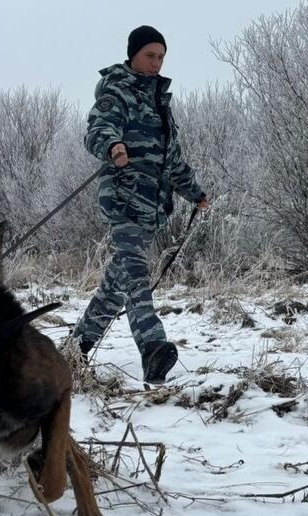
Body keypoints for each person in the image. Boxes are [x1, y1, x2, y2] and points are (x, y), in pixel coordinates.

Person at [70, 25, 210, 385]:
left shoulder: (160, 102)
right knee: (135, 271)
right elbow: (99, 127)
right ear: (133, 54)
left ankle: (74, 350)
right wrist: (112, 146)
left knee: (117, 281)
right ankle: (152, 346)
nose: (156, 63)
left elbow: (172, 160)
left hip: (152, 204)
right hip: (123, 197)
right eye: (150, 55)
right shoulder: (117, 89)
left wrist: (194, 193)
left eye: (161, 57)